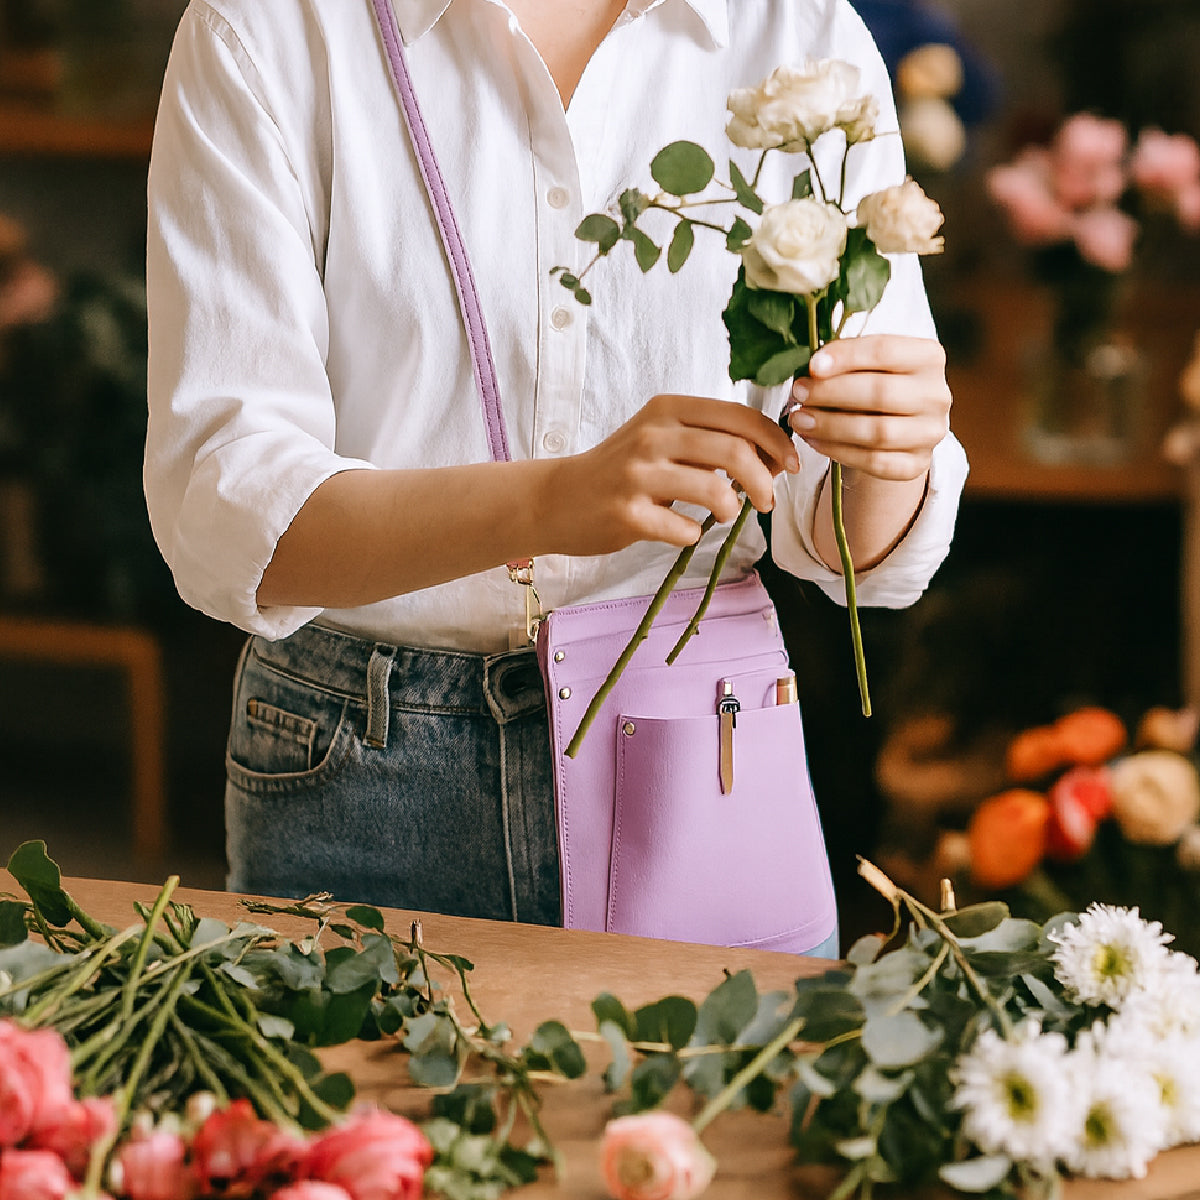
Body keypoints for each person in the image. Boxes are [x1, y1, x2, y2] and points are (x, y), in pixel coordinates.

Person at [144, 0, 969, 954]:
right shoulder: (269, 27)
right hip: (360, 759)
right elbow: (227, 508)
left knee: (722, 1105)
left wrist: (890, 451)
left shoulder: (798, 33)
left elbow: (844, 544)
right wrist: (551, 501)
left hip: (700, 738)